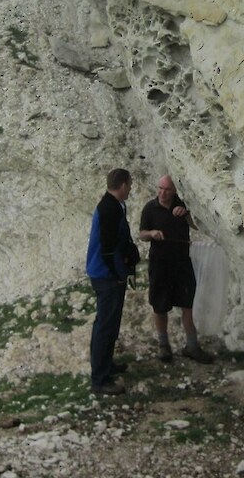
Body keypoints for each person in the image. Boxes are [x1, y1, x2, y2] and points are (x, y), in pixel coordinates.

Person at [138, 174, 214, 364]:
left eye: (167, 190)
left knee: (188, 305)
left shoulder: (182, 205)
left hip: (182, 263)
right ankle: (164, 345)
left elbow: (198, 226)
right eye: (160, 188)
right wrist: (152, 234)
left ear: (174, 191)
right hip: (159, 264)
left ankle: (192, 346)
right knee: (159, 305)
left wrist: (187, 213)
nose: (162, 193)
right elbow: (142, 234)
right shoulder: (150, 208)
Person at [85, 168, 139, 395]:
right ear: (123, 185)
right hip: (106, 275)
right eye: (130, 185)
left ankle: (106, 365)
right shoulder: (109, 208)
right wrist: (118, 275)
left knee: (110, 323)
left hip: (108, 273)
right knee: (105, 326)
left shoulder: (114, 205)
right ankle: (99, 379)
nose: (131, 189)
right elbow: (107, 250)